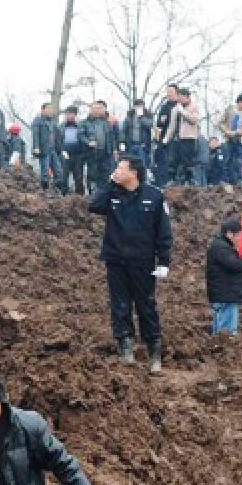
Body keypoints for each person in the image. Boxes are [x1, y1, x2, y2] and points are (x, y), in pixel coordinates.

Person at [88, 154, 173, 373]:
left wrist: (164, 260)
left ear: (133, 172)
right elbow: (93, 206)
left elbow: (163, 231)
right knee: (120, 305)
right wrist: (109, 183)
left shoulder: (154, 196)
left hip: (142, 262)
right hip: (116, 260)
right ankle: (125, 348)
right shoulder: (112, 193)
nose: (117, 170)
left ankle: (154, 351)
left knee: (146, 306)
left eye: (121, 167)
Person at [206, 217, 242, 336]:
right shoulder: (221, 247)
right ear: (229, 234)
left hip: (224, 294)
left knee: (221, 328)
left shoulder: (221, 246)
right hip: (225, 295)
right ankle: (222, 351)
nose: (240, 238)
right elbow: (235, 265)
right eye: (238, 235)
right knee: (226, 332)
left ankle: (218, 347)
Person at [163, 87, 200, 184]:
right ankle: (172, 179)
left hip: (189, 137)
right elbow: (172, 125)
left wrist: (183, 112)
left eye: (181, 97)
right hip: (176, 137)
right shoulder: (175, 108)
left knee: (187, 160)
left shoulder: (194, 106)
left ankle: (189, 179)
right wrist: (166, 138)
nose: (179, 99)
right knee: (173, 159)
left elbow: (194, 120)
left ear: (186, 97)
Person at [218, 93, 242, 187]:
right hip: (228, 138)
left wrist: (239, 132)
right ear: (240, 101)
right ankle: (225, 180)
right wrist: (227, 131)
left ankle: (238, 180)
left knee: (238, 160)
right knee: (227, 159)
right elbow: (221, 122)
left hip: (240, 139)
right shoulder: (229, 109)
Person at [31, 103, 63, 193]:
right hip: (44, 150)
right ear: (43, 110)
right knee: (44, 170)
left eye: (51, 109)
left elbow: (58, 135)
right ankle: (44, 190)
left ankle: (57, 189)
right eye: (48, 109)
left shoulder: (53, 121)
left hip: (53, 150)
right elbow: (35, 134)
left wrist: (60, 148)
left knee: (58, 170)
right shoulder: (38, 120)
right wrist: (36, 147)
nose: (50, 111)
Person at [82, 101, 114, 192]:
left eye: (99, 108)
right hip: (92, 153)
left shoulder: (106, 122)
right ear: (90, 110)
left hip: (105, 152)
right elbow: (80, 135)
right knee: (92, 174)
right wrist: (88, 142)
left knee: (105, 174)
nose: (97, 110)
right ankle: (92, 193)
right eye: (94, 108)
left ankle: (103, 193)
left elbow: (111, 137)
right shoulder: (85, 122)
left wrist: (114, 149)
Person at [152, 84, 180, 183]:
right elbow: (158, 125)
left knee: (175, 164)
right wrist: (157, 139)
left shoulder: (180, 106)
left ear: (177, 93)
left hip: (178, 140)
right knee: (162, 163)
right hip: (164, 141)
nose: (169, 94)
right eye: (167, 92)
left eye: (171, 92)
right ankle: (161, 184)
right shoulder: (164, 107)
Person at [59, 106, 89, 195]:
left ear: (75, 115)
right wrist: (61, 151)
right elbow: (57, 141)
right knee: (64, 176)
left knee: (79, 176)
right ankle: (63, 195)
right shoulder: (60, 127)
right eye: (68, 114)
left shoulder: (80, 126)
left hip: (78, 154)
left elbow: (84, 139)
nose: (70, 116)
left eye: (72, 114)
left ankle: (80, 196)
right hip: (65, 154)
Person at [120, 99, 153, 166]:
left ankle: (143, 175)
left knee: (143, 163)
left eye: (141, 106)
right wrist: (122, 141)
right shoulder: (129, 116)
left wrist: (141, 117)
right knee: (131, 163)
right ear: (134, 107)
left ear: (144, 107)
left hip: (143, 144)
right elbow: (124, 130)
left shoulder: (148, 115)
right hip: (131, 143)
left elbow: (150, 125)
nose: (139, 108)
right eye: (137, 106)